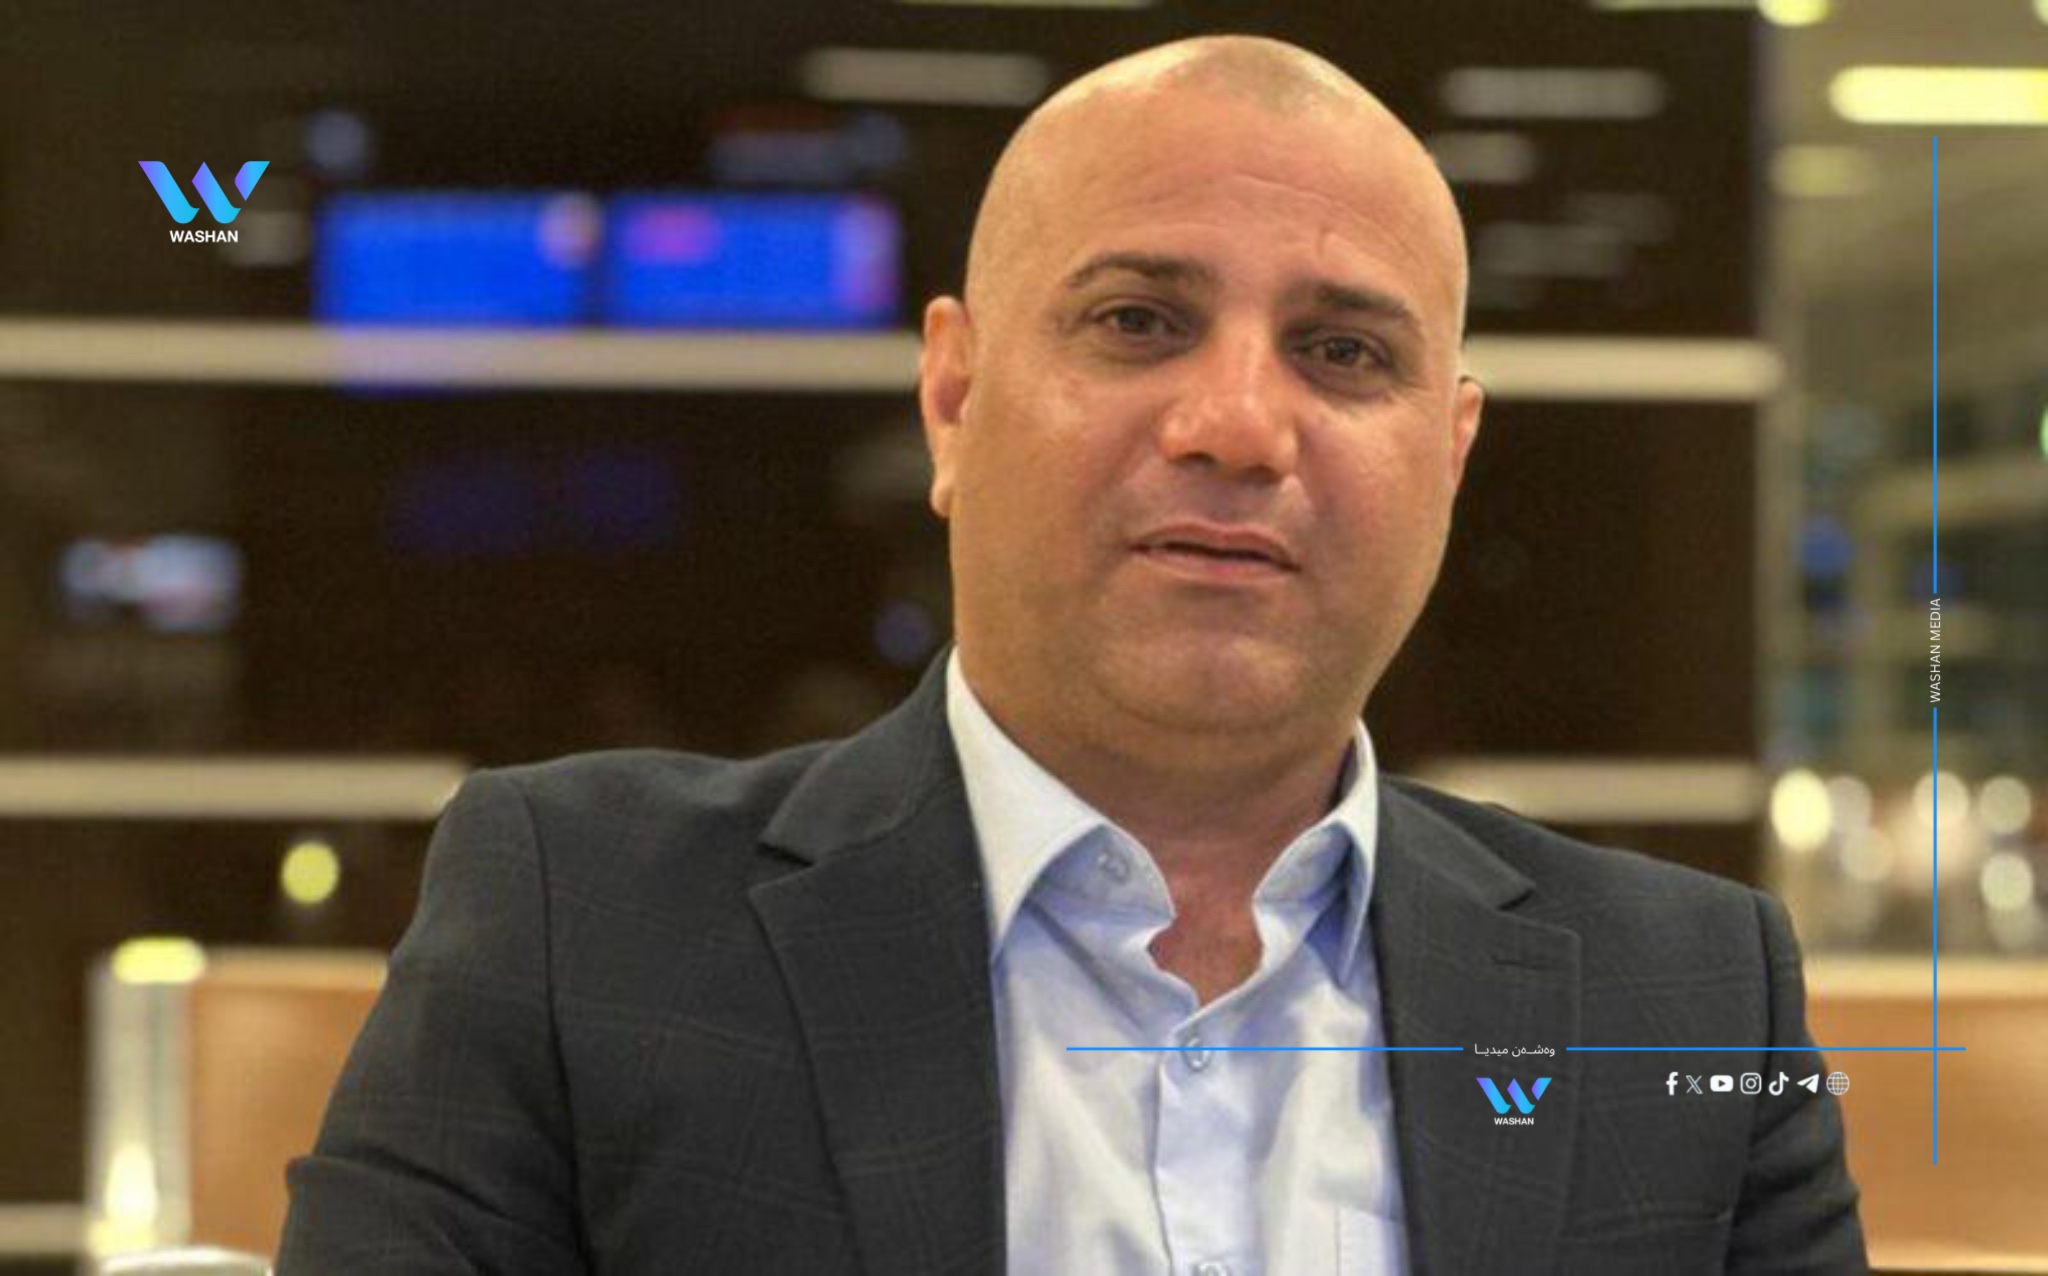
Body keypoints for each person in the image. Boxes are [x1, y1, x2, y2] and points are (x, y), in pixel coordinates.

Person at [280, 35, 1867, 1276]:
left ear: (1448, 458)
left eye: (1343, 351)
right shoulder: (581, 926)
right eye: (1137, 322)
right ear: (952, 401)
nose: (1238, 425)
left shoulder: (1693, 995)